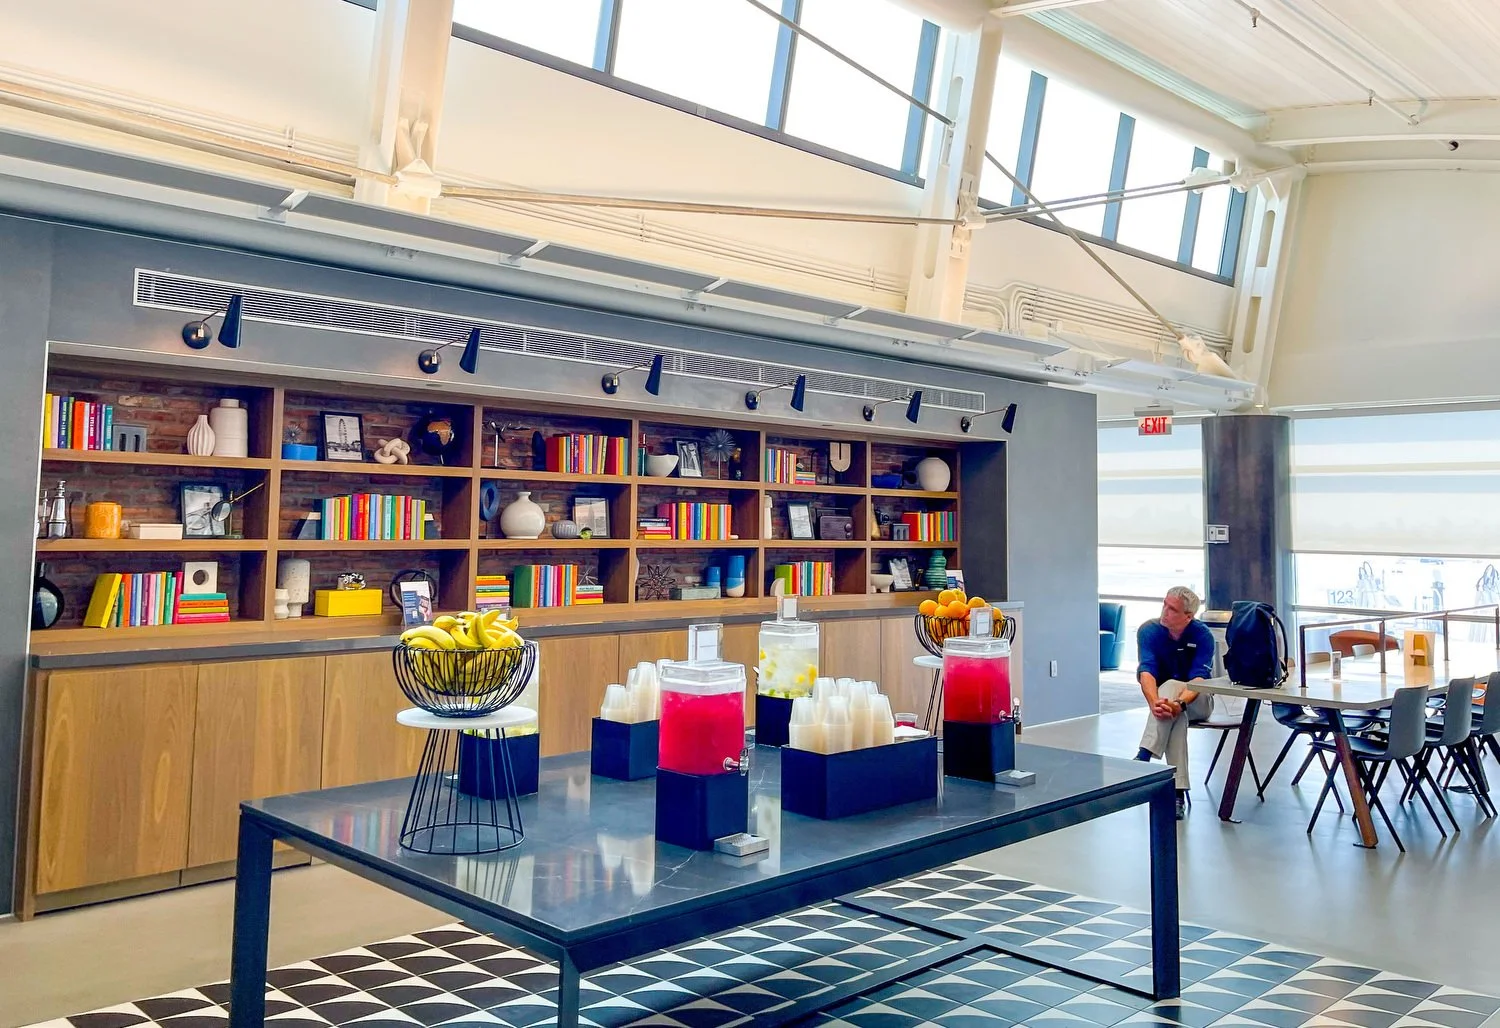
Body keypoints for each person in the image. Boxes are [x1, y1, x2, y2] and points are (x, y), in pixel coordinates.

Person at [1133, 585, 1216, 820]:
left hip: (1199, 700)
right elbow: (1147, 671)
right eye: (1164, 605)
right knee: (1176, 716)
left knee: (1171, 688)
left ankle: (1144, 754)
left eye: (1172, 609)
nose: (1164, 611)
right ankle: (1178, 792)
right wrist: (1156, 704)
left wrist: (1178, 703)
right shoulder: (1149, 631)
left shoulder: (1202, 636)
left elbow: (1199, 680)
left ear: (1188, 616)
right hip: (1168, 707)